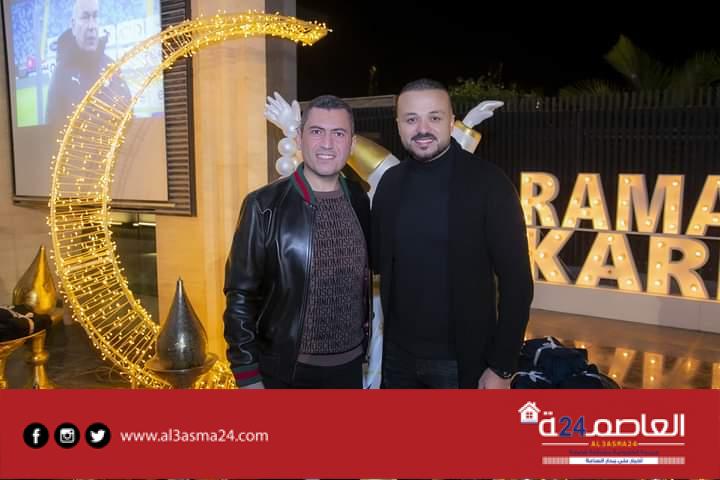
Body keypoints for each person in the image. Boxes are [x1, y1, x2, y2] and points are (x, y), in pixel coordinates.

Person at [371, 78, 533, 389]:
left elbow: (518, 283)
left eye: (434, 117)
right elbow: (376, 259)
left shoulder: (489, 184)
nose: (423, 129)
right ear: (398, 125)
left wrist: (502, 366)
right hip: (397, 358)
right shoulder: (390, 184)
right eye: (411, 119)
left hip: (461, 362)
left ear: (451, 122)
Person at [223, 95, 371, 389]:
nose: (327, 143)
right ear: (300, 138)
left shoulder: (358, 198)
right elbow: (240, 295)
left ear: (351, 144)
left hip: (350, 369)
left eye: (338, 133)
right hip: (286, 372)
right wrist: (247, 374)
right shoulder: (263, 205)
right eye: (316, 131)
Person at [46, 0, 131, 128]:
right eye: (85, 17)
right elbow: (53, 129)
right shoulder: (60, 74)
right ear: (73, 26)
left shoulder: (111, 67)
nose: (91, 26)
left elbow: (129, 117)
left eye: (95, 16)